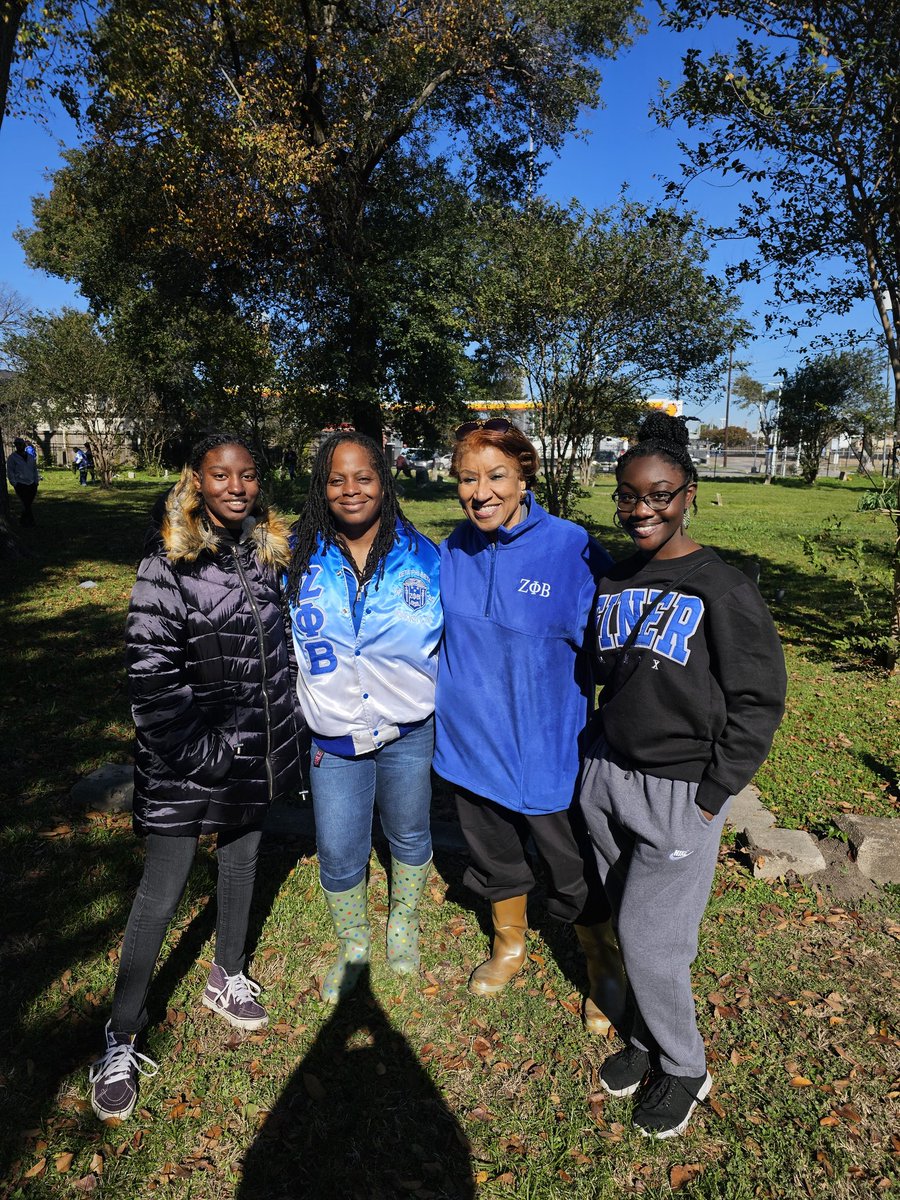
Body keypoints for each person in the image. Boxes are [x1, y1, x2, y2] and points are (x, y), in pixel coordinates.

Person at [579, 412, 787, 1139]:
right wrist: (592, 757)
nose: (643, 510)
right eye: (629, 497)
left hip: (681, 791)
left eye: (659, 495)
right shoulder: (613, 577)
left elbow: (760, 700)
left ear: (688, 494)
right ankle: (645, 1041)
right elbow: (603, 672)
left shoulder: (719, 587)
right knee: (624, 912)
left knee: (650, 937)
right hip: (609, 778)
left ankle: (687, 1066)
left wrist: (711, 795)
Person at [88, 433, 305, 1122]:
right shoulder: (168, 562)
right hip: (188, 758)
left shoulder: (266, 555)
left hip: (252, 753)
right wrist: (207, 754)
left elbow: (277, 656)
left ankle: (226, 974)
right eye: (221, 475)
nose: (236, 486)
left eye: (246, 475)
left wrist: (277, 738)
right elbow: (151, 679)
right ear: (198, 482)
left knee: (241, 866)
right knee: (162, 892)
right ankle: (121, 1031)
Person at [433, 419, 626, 1036]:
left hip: (549, 750)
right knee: (494, 860)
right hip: (470, 748)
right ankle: (508, 944)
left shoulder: (571, 547)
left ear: (524, 478)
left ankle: (604, 961)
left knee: (573, 868)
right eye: (468, 478)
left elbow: (614, 640)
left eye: (496, 476)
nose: (481, 492)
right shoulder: (450, 551)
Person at [285, 432, 442, 1003]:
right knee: (339, 844)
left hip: (407, 731)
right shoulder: (293, 556)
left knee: (409, 829)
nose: (350, 490)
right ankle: (353, 942)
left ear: (385, 481)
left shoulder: (425, 557)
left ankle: (403, 925)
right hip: (334, 736)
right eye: (336, 479)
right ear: (321, 488)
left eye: (363, 477)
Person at [6, 437, 39, 525]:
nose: (19, 446)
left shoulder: (31, 457)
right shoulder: (12, 458)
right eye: (17, 445)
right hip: (20, 484)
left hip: (32, 483)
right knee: (26, 502)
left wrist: (36, 481)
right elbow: (10, 471)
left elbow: (34, 470)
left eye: (21, 444)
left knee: (27, 504)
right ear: (16, 446)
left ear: (24, 445)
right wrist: (14, 483)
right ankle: (30, 522)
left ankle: (24, 521)